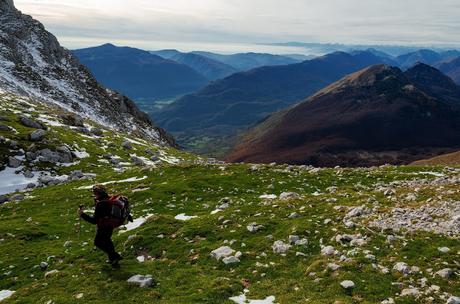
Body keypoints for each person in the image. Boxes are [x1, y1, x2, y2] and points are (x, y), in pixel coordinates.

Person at [77, 184, 122, 267]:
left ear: (97, 193)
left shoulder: (100, 204)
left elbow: (94, 221)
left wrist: (82, 214)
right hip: (111, 224)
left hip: (103, 226)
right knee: (107, 240)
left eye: (94, 192)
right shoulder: (109, 199)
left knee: (98, 242)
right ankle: (113, 261)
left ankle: (115, 256)